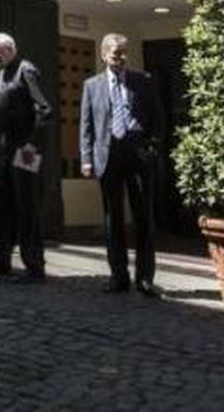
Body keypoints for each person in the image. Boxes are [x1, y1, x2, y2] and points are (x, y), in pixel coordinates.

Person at [79, 32, 165, 295]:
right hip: (108, 156)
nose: (121, 58)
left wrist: (151, 149)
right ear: (104, 55)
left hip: (138, 155)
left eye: (124, 53)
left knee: (143, 219)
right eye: (116, 53)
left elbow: (158, 120)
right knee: (113, 219)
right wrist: (85, 158)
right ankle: (118, 276)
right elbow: (87, 125)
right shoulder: (91, 86)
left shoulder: (144, 81)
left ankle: (145, 278)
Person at [0, 32, 51, 284]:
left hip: (27, 150)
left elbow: (44, 110)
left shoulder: (25, 70)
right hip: (7, 149)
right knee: (3, 205)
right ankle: (1, 261)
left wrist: (31, 147)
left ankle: (34, 267)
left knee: (27, 206)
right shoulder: (3, 71)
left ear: (9, 49)